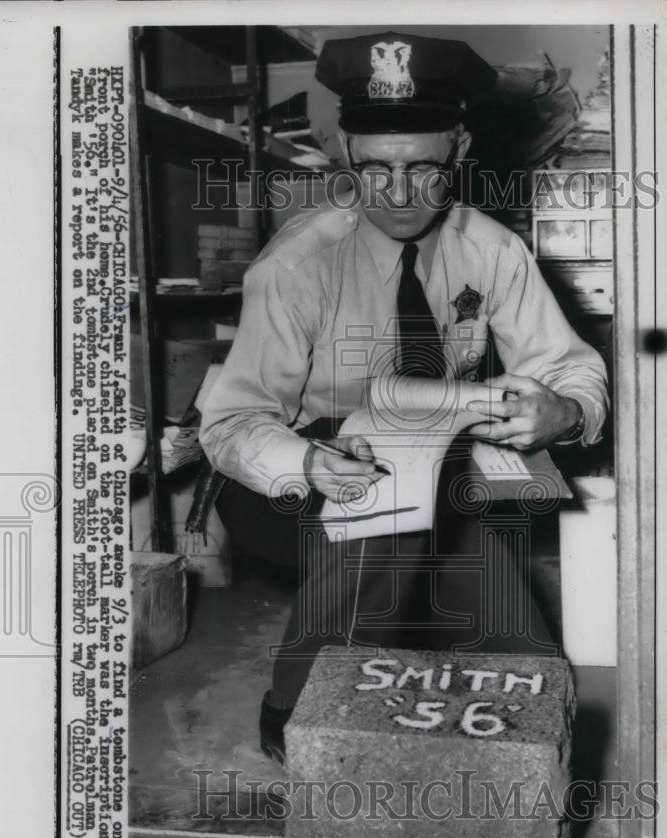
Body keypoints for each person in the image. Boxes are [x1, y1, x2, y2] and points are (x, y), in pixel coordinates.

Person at [199, 31, 609, 763]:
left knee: (519, 654)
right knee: (386, 510)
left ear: (458, 148)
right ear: (344, 157)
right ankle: (298, 710)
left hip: (430, 457)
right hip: (287, 480)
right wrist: (310, 463)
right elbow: (229, 424)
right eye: (374, 169)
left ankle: (521, 723)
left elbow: (569, 367)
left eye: (422, 168)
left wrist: (563, 410)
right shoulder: (299, 263)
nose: (395, 193)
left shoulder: (491, 250)